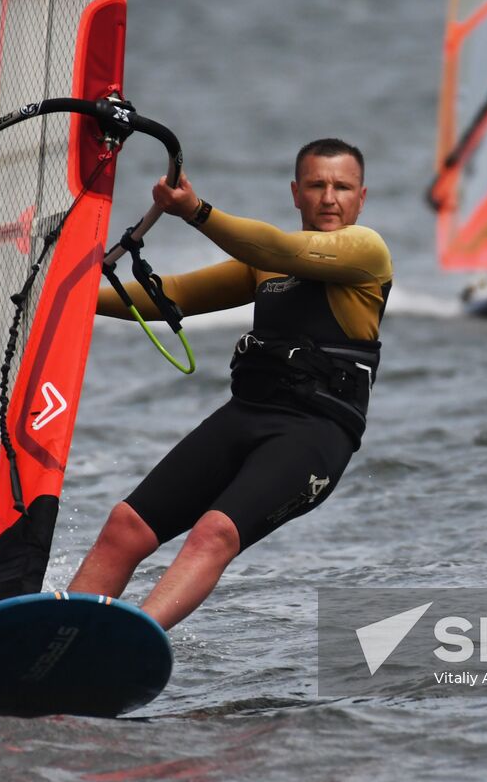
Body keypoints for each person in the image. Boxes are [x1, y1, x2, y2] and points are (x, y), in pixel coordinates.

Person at [68, 139, 392, 630]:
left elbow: (279, 246)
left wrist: (195, 211)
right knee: (126, 525)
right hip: (247, 416)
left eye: (342, 187)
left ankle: (130, 640)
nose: (329, 197)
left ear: (361, 197)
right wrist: (70, 292)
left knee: (214, 532)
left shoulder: (366, 252)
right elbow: (172, 295)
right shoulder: (265, 267)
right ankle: (60, 634)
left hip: (314, 434)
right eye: (316, 185)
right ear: (296, 193)